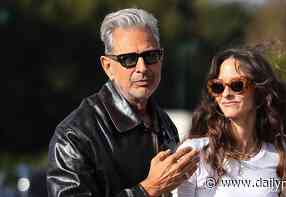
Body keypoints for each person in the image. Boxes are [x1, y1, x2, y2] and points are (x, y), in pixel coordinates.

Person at [47, 8, 199, 197]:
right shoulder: (74, 136)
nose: (142, 68)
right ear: (108, 66)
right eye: (129, 59)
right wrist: (147, 190)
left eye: (150, 56)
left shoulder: (164, 123)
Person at [177, 46, 286, 197]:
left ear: (259, 92)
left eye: (237, 85)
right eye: (218, 86)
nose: (226, 94)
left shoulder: (279, 157)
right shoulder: (194, 153)